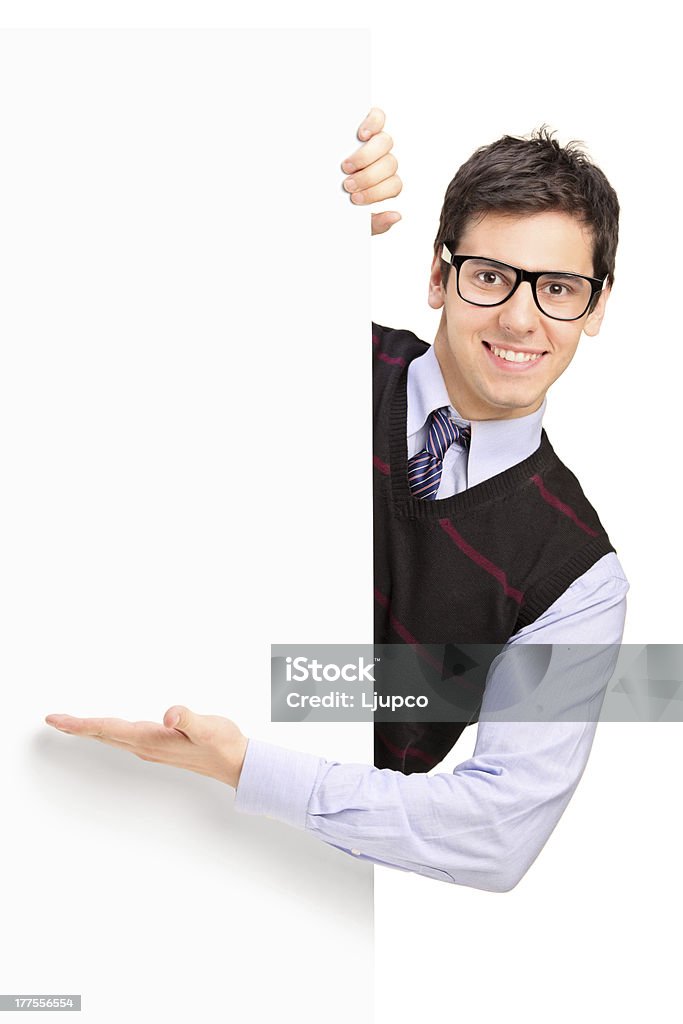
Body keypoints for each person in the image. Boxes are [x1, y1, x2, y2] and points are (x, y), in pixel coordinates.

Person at [45, 110, 628, 892]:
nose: (520, 317)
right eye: (489, 275)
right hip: (57, 768)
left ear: (594, 308)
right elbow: (111, 306)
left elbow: (496, 834)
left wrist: (249, 768)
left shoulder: (577, 577)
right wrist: (300, 219)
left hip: (287, 890)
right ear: (436, 276)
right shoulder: (314, 351)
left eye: (557, 289)